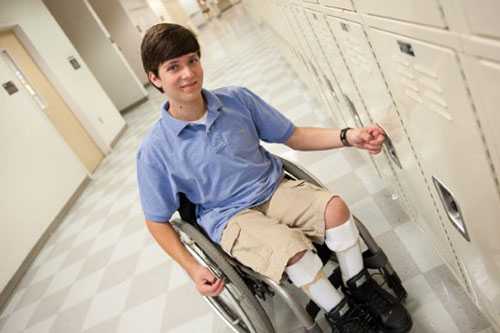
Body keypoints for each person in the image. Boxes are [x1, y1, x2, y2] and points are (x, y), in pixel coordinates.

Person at [136, 23, 412, 333]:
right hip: (230, 217)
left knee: (335, 208)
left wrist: (349, 136)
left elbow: (293, 135)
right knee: (290, 249)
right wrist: (192, 267)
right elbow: (156, 220)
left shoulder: (236, 100)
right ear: (155, 78)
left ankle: (358, 284)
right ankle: (341, 312)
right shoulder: (155, 150)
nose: (188, 73)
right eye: (174, 67)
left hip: (272, 188)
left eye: (192, 60)